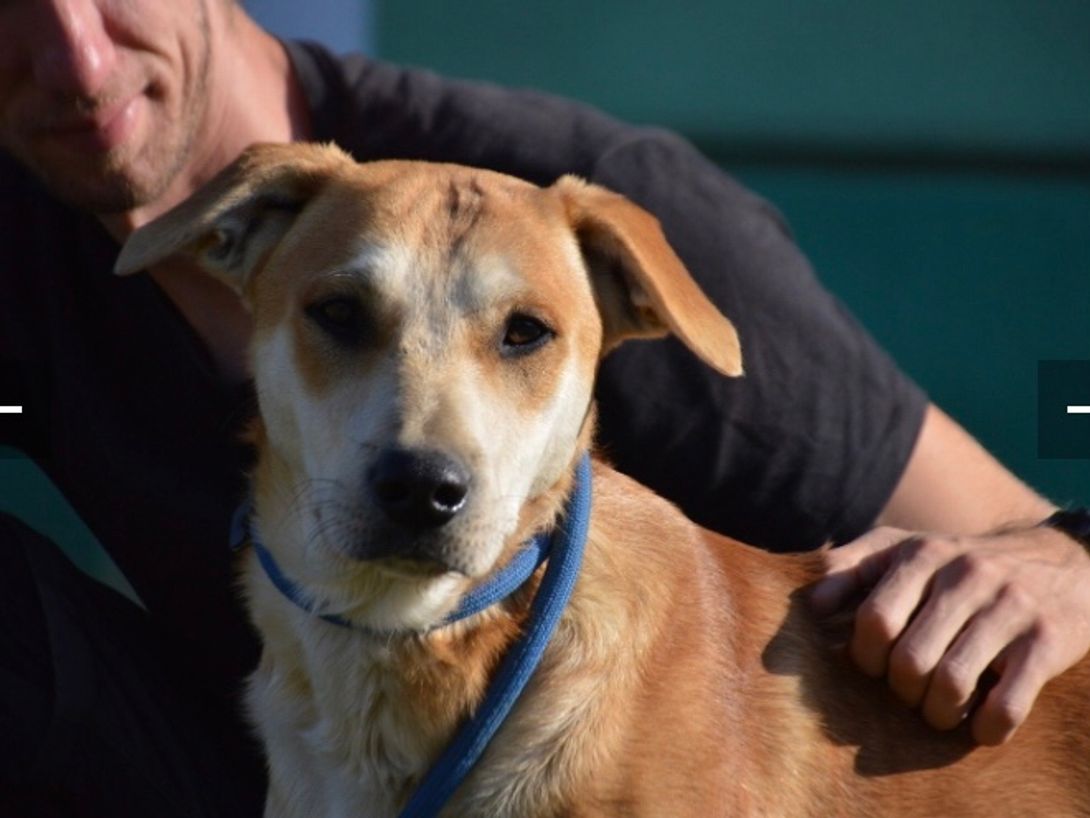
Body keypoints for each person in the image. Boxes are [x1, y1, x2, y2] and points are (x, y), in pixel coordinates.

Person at [0, 0, 1086, 814]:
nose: (75, 59)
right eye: (344, 318)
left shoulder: (588, 199)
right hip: (283, 731)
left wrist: (1072, 550)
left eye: (518, 336)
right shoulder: (41, 214)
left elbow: (1006, 530)